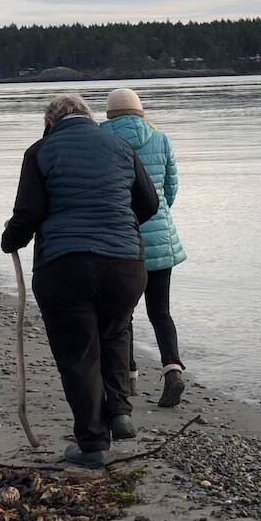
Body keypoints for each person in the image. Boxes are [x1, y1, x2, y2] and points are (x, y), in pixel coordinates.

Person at [1, 93, 158, 469]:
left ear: (50, 122)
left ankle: (93, 443)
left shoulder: (40, 151)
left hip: (65, 265)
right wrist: (118, 224)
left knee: (79, 353)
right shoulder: (119, 146)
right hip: (125, 264)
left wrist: (10, 239)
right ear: (89, 117)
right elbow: (149, 203)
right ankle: (119, 411)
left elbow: (30, 212)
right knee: (116, 331)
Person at [100, 88, 188, 408]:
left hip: (121, 238)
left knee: (123, 312)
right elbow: (170, 187)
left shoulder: (101, 139)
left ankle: (130, 376)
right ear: (140, 111)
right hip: (160, 234)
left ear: (109, 114)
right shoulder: (160, 138)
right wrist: (159, 211)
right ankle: (172, 370)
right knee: (160, 312)